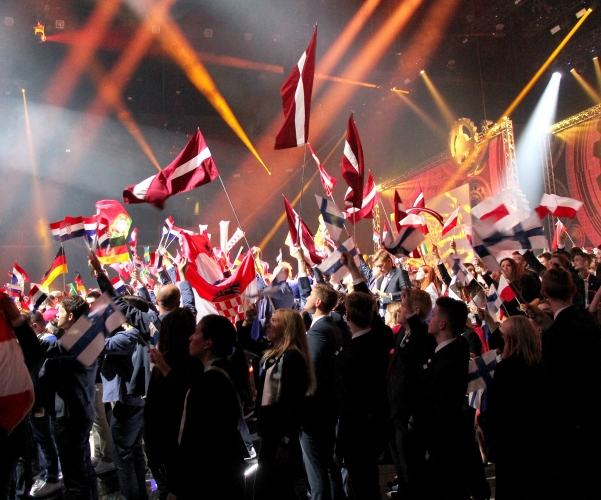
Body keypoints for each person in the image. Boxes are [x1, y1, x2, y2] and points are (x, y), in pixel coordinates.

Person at [168, 315, 248, 500]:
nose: (190, 337)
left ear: (208, 343)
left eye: (196, 332)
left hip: (209, 478)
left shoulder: (207, 383)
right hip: (228, 471)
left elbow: (192, 438)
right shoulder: (226, 372)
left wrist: (176, 486)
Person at [537, 268, 601, 500]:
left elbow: (553, 386)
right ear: (573, 289)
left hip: (569, 426)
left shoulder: (554, 335)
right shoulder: (590, 322)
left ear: (544, 293)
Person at [37, 295, 98, 500]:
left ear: (71, 316)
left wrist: (18, 328)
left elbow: (45, 349)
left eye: (60, 311)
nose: (56, 315)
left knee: (74, 479)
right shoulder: (81, 335)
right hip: (77, 411)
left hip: (71, 416)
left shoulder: (79, 340)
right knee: (83, 469)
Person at [411, 297, 471, 500]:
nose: (430, 318)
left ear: (443, 324)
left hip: (442, 447)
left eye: (434, 315)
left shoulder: (446, 362)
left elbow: (438, 407)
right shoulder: (456, 347)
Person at [254, 309, 316, 500]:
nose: (268, 324)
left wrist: (286, 441)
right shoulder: (276, 353)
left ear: (287, 328)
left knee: (273, 487)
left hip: (279, 433)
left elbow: (294, 403)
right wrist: (246, 321)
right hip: (270, 431)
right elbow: (247, 343)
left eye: (275, 321)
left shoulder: (292, 357)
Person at [335, 292, 390, 500]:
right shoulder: (380, 340)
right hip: (377, 424)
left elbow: (349, 405)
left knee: (362, 487)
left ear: (347, 315)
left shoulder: (351, 354)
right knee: (370, 483)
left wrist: (339, 447)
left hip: (357, 433)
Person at [144, 308, 203, 500]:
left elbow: (153, 413)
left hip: (172, 445)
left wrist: (152, 457)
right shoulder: (199, 361)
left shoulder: (166, 362)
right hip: (193, 447)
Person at [487, 316, 542, 499]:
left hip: (511, 445)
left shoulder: (506, 369)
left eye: (503, 336)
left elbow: (495, 411)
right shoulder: (540, 365)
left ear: (511, 339)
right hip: (536, 444)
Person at [388, 289, 435, 499]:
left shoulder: (423, 337)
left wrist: (412, 417)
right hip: (395, 412)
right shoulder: (402, 333)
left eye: (403, 305)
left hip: (409, 416)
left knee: (412, 471)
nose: (399, 309)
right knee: (402, 469)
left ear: (414, 311)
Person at [300, 284, 344, 500]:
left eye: (310, 295)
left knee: (317, 468)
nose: (306, 298)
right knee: (328, 464)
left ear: (318, 302)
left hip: (315, 410)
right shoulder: (333, 327)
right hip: (328, 406)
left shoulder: (319, 331)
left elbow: (312, 369)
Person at [372, 250, 411, 317]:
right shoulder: (380, 279)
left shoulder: (399, 273)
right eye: (377, 267)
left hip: (395, 316)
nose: (379, 269)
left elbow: (407, 293)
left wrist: (388, 295)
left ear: (389, 261)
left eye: (381, 266)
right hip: (381, 316)